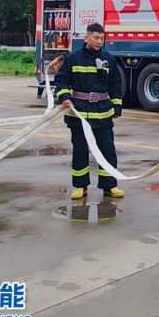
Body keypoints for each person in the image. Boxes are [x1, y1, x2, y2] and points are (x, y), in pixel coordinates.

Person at [54, 23, 125, 200]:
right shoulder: (73, 58)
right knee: (80, 151)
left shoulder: (108, 59)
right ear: (86, 38)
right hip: (79, 114)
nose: (99, 41)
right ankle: (80, 186)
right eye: (96, 38)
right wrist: (64, 97)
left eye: (102, 38)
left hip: (102, 114)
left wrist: (117, 105)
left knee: (107, 151)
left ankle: (110, 186)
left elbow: (115, 84)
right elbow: (61, 80)